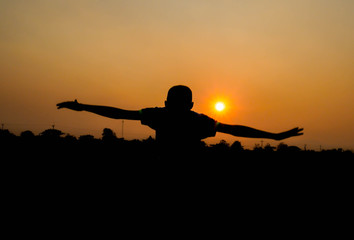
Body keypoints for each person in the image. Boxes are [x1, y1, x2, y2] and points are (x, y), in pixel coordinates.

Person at [57, 85, 303, 155]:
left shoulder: (160, 115)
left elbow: (120, 113)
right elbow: (234, 130)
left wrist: (83, 107)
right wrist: (275, 136)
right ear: (191, 105)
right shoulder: (198, 121)